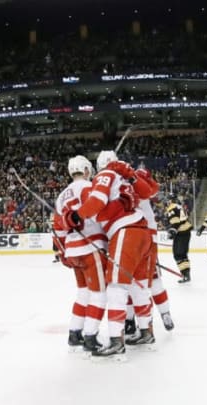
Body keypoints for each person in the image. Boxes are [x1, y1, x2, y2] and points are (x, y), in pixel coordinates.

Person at [62, 150, 155, 358]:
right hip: (143, 232)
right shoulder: (125, 178)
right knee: (136, 285)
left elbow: (96, 202)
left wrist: (76, 216)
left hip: (125, 231)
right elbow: (149, 192)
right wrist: (131, 175)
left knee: (115, 287)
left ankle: (116, 341)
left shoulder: (106, 175)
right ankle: (146, 332)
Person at [54, 155, 108, 353]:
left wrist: (63, 252)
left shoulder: (61, 195)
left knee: (83, 292)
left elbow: (58, 228)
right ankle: (91, 336)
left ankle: (74, 332)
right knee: (99, 294)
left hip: (73, 250)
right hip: (90, 247)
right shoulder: (87, 187)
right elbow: (97, 213)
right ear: (86, 170)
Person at [125, 167, 174, 339]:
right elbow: (153, 188)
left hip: (131, 238)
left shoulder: (123, 185)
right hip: (149, 239)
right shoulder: (142, 186)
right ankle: (164, 313)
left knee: (130, 284)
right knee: (153, 281)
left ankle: (132, 322)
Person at [165, 193, 193, 283]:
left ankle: (185, 274)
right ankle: (186, 274)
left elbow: (176, 222)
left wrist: (172, 231)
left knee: (178, 255)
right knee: (183, 254)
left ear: (170, 200)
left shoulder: (171, 207)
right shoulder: (179, 206)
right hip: (186, 231)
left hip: (181, 232)